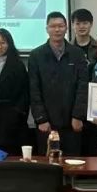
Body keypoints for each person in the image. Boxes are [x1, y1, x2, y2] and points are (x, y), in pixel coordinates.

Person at [29, 11, 88, 157]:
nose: (57, 30)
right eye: (53, 26)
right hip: (46, 123)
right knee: (48, 164)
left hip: (72, 122)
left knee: (72, 163)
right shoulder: (36, 55)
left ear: (66, 28)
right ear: (47, 29)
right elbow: (34, 89)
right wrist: (41, 119)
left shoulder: (77, 54)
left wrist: (78, 116)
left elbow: (83, 87)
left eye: (61, 26)